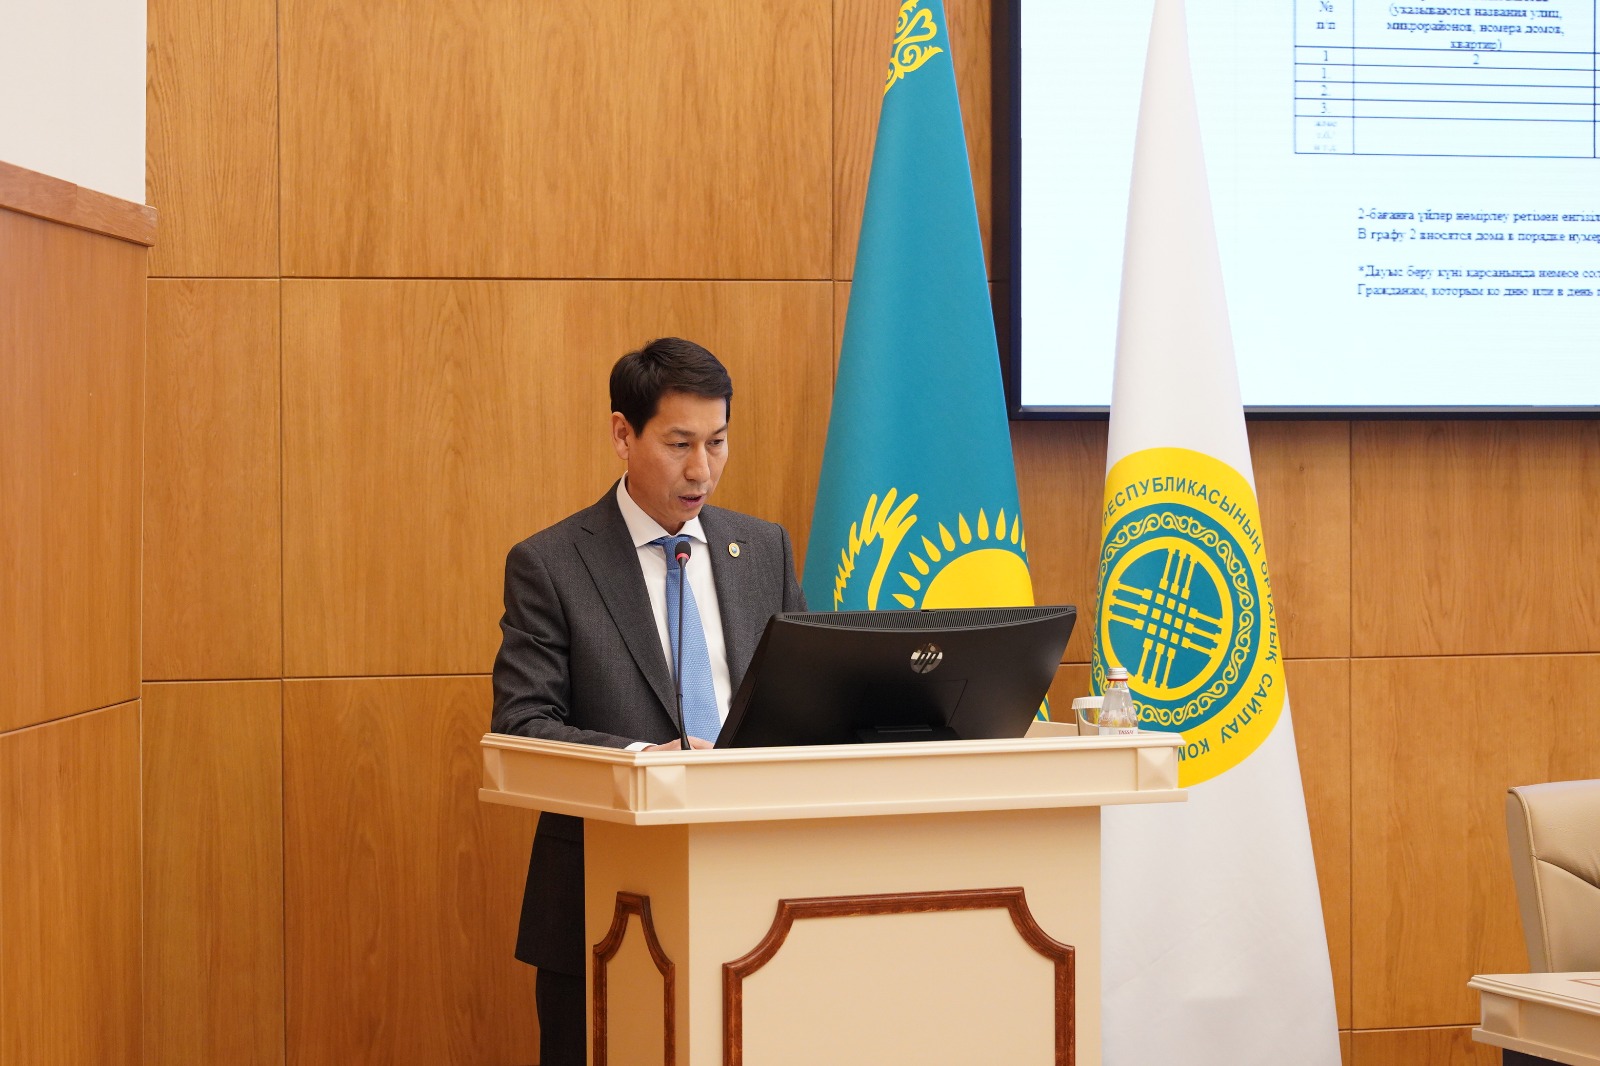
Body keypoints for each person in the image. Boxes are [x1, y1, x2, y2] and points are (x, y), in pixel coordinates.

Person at [491, 337, 806, 1066]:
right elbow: (523, 725)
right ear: (622, 434)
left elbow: (800, 704)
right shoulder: (551, 564)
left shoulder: (764, 550)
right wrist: (645, 760)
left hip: (761, 897)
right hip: (605, 912)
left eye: (717, 442)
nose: (702, 470)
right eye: (679, 444)